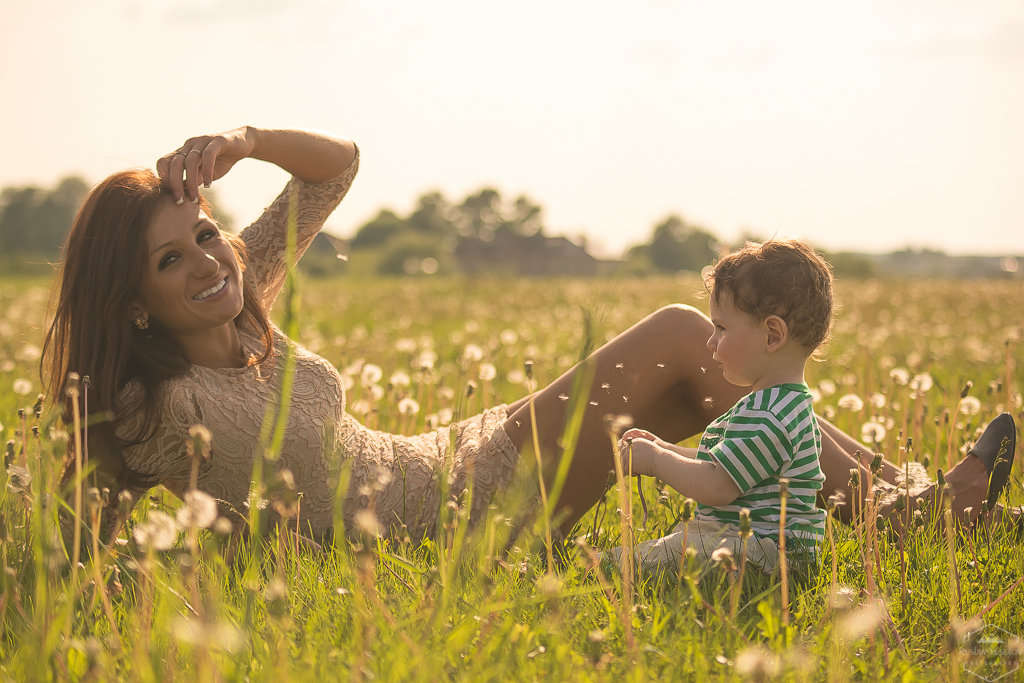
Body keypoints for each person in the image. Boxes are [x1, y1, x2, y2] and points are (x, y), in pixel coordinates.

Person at [42, 126, 1016, 552]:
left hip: (458, 454)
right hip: (450, 523)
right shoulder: (158, 406)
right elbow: (115, 519)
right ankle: (917, 512)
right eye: (170, 261)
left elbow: (334, 169)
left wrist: (243, 142)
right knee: (685, 334)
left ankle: (914, 506)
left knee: (702, 375)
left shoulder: (243, 293)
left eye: (204, 231)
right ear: (132, 302)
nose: (207, 260)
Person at [609, 239, 834, 572]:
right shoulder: (782, 404)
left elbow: (716, 485)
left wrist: (656, 460)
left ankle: (605, 567)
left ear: (772, 335)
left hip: (764, 555)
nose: (711, 342)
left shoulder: (769, 416)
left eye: (722, 328)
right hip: (755, 544)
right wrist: (665, 447)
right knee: (684, 546)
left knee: (674, 553)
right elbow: (725, 465)